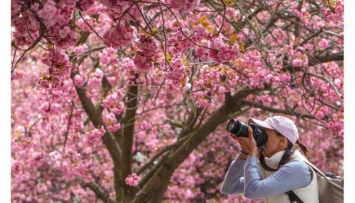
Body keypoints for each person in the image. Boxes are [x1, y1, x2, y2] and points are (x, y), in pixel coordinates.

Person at [221, 116, 318, 203]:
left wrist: (252, 154)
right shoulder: (272, 165)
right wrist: (244, 154)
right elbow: (229, 188)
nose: (258, 136)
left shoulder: (297, 168)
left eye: (264, 134)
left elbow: (252, 191)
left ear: (282, 141)